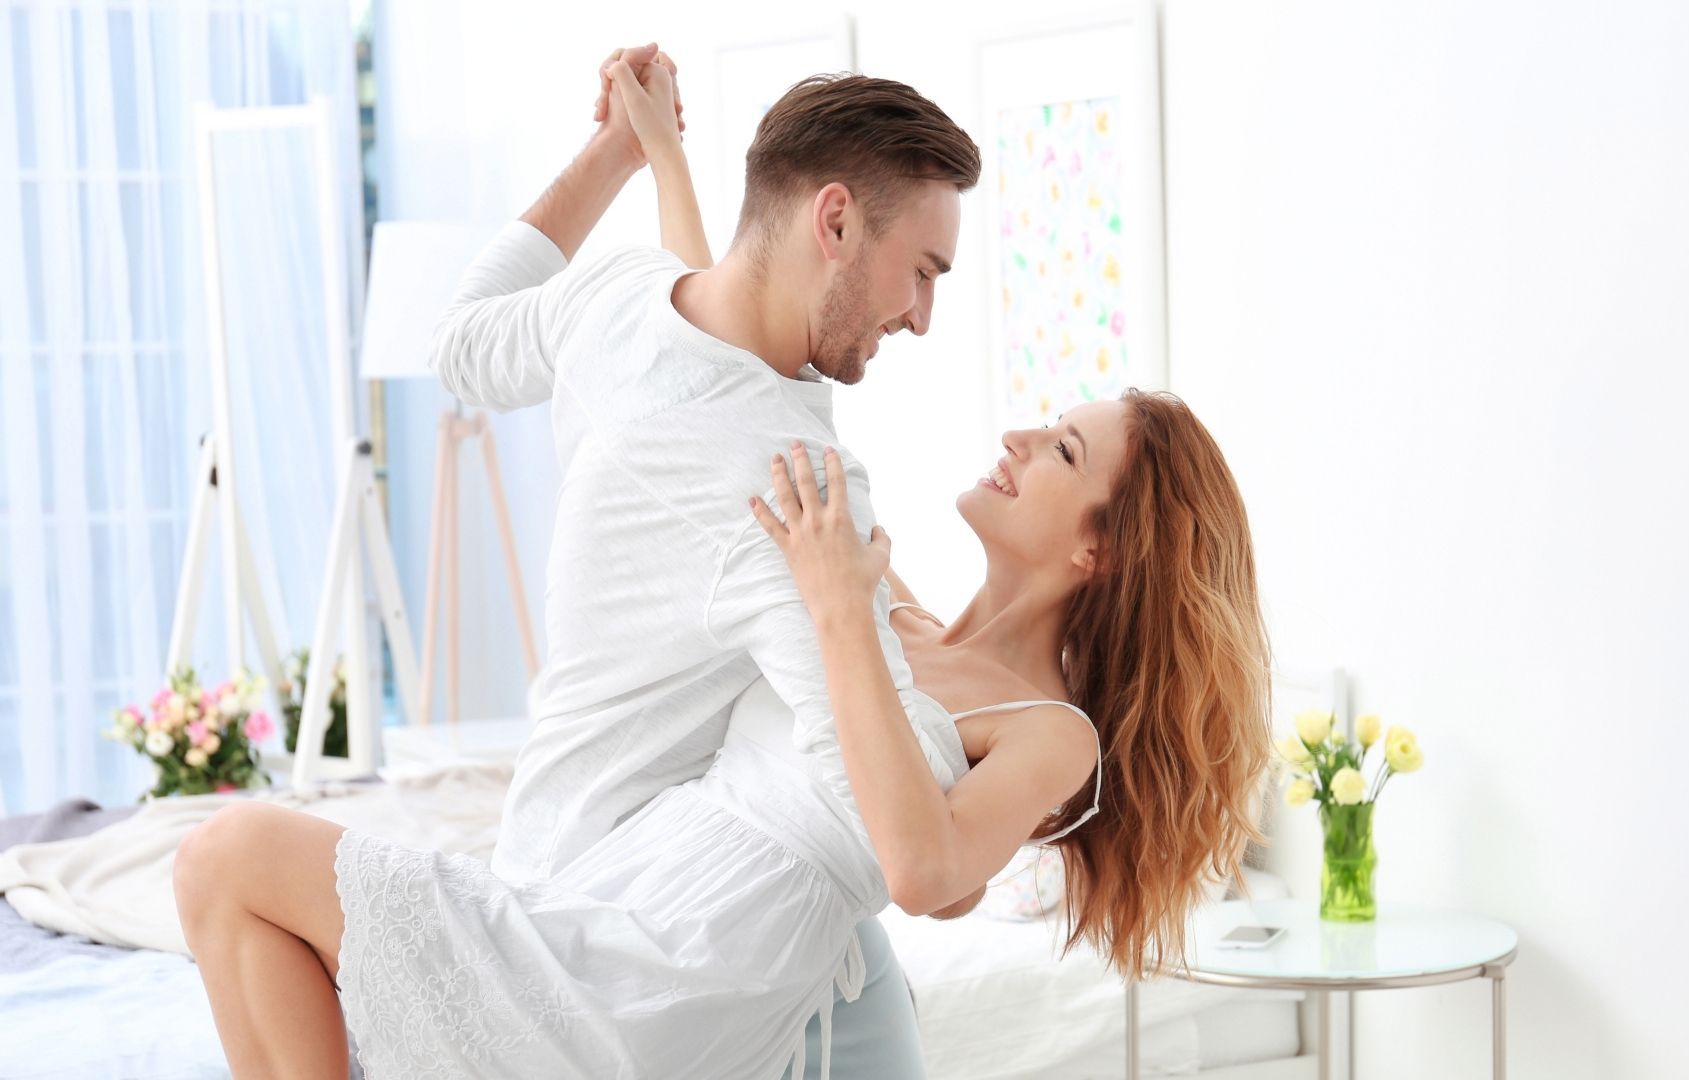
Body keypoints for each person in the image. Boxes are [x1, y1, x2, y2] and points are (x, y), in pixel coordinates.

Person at [172, 49, 1272, 1080]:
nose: (1019, 438)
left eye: (1063, 450)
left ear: (1099, 547)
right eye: (922, 272)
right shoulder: (873, 587)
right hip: (610, 923)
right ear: (834, 220)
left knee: (229, 860)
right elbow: (706, 367)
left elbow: (928, 875)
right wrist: (653, 156)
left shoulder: (1044, 728)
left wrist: (842, 606)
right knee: (228, 876)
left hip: (666, 994)